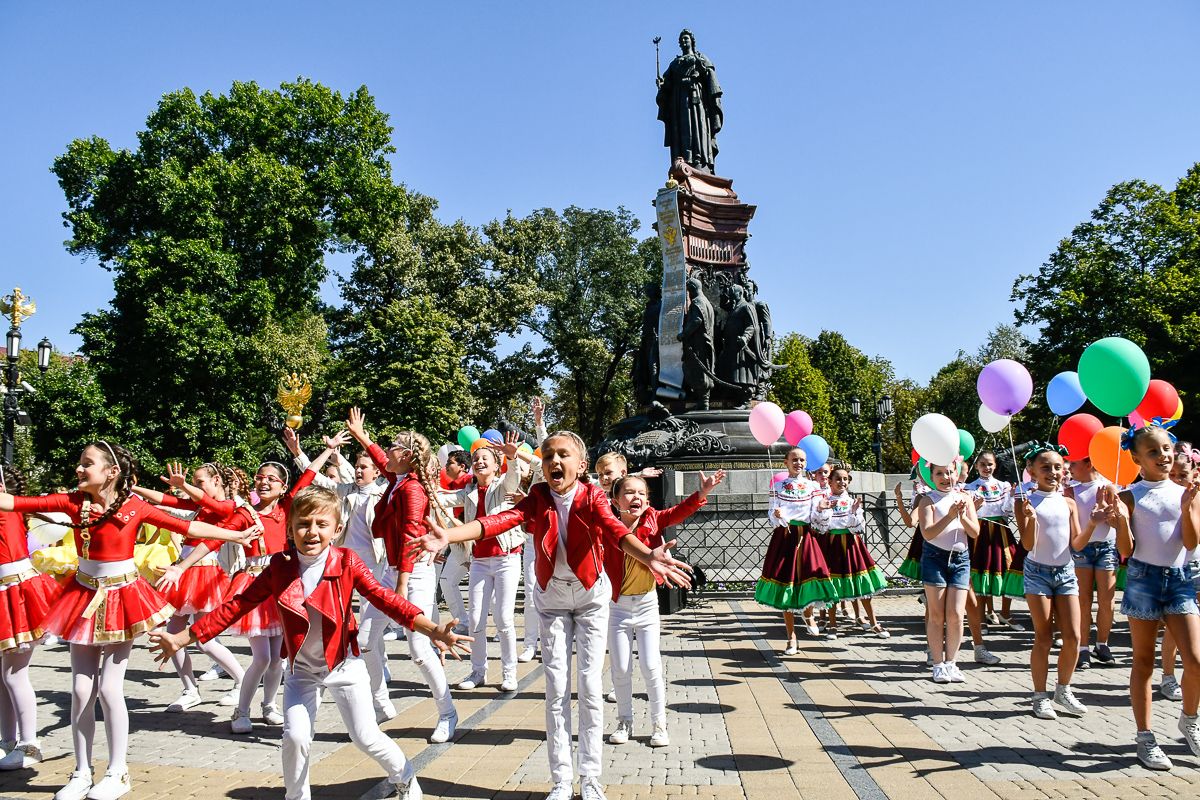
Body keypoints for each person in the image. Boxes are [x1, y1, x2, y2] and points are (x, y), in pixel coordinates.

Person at [409, 431, 693, 800]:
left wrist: (648, 555)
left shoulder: (592, 496)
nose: (555, 461)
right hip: (552, 600)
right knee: (556, 690)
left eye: (563, 455)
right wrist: (449, 535)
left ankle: (590, 778)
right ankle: (561, 779)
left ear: (581, 464)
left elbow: (614, 530)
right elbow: (499, 521)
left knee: (590, 689)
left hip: (591, 598)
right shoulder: (539, 496)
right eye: (548, 457)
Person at [150, 485, 470, 800]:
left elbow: (385, 598)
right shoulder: (279, 567)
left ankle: (406, 779)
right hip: (301, 671)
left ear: (337, 528)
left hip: (345, 665)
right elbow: (236, 606)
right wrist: (181, 637)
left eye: (321, 524)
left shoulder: (346, 562)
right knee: (295, 738)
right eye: (303, 523)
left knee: (366, 737)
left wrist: (431, 629)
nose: (312, 531)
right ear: (291, 527)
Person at [0, 441, 252, 800]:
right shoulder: (73, 503)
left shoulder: (134, 506)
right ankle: (82, 771)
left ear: (111, 472)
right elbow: (16, 502)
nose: (78, 469)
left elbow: (188, 528)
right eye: (79, 463)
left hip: (122, 599)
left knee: (108, 688)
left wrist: (236, 535)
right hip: (83, 597)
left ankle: (118, 772)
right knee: (80, 689)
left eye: (87, 464)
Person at [345, 408, 459, 744]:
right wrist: (361, 435)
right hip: (391, 570)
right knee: (365, 641)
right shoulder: (397, 481)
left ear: (408, 456)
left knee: (420, 650)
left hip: (415, 573)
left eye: (395, 446)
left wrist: (401, 584)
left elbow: (411, 535)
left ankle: (448, 714)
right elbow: (382, 461)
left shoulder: (412, 490)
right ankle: (381, 704)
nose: (388, 450)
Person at [605, 470, 724, 748]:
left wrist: (701, 494)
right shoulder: (608, 525)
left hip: (646, 605)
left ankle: (659, 724)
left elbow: (678, 512)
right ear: (615, 500)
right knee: (620, 668)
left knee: (650, 665)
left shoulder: (654, 519)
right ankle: (625, 721)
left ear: (648, 501)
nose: (636, 497)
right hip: (617, 607)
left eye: (642, 493)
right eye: (629, 492)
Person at [284, 427, 395, 721]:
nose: (359, 471)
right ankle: (364, 678)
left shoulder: (383, 491)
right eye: (356, 467)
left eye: (364, 467)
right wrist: (297, 452)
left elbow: (390, 473)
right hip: (342, 565)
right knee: (348, 623)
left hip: (373, 565)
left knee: (370, 631)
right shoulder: (344, 492)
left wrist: (363, 440)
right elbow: (315, 477)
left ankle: (379, 673)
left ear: (374, 472)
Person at [1111, 421, 1200, 770]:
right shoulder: (1128, 496)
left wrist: (1189, 505)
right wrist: (1119, 521)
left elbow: (1191, 542)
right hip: (1143, 579)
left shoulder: (1186, 492)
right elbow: (1126, 550)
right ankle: (1145, 737)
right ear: (1136, 458)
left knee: (1194, 659)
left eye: (1166, 449)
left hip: (1179, 579)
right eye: (1153, 451)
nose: (1163, 456)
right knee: (1143, 662)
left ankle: (1190, 719)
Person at [131, 462, 246, 712]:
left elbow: (213, 505)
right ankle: (190, 690)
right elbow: (166, 500)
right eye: (194, 482)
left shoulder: (229, 506)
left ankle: (242, 681)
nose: (196, 486)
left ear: (217, 480)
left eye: (200, 481)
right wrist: (134, 489)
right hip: (182, 571)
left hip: (203, 573)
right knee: (172, 635)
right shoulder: (198, 506)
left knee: (204, 639)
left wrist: (183, 485)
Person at [441, 434, 524, 692]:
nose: (478, 462)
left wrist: (511, 456)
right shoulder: (467, 490)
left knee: (503, 618)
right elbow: (443, 498)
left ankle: (509, 673)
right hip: (479, 560)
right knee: (476, 619)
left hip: (506, 559)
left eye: (484, 458)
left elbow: (514, 479)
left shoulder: (502, 485)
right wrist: (421, 486)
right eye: (475, 458)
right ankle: (478, 671)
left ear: (496, 464)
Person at [1014, 443, 1088, 719]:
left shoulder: (1069, 502)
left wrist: (1093, 522)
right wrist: (1030, 520)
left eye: (1058, 467)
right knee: (1043, 636)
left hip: (1065, 571)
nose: (1053, 472)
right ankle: (1039, 695)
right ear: (1032, 471)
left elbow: (1077, 543)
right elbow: (1028, 543)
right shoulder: (1026, 501)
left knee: (1074, 636)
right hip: (1037, 572)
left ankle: (1064, 689)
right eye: (1045, 467)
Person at [0, 465, 60, 771]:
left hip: (16, 593)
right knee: (5, 677)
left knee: (13, 675)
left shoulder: (7, 510)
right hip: (9, 590)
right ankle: (7, 741)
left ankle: (29, 744)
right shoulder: (10, 510)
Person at [754, 447, 838, 652]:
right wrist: (777, 514)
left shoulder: (812, 486)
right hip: (784, 537)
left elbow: (817, 516)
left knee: (811, 577)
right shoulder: (778, 486)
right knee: (786, 585)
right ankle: (791, 637)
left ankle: (808, 614)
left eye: (802, 460)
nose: (798, 463)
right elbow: (772, 516)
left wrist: (821, 509)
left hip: (806, 536)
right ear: (785, 462)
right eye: (794, 459)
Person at [915, 461, 980, 684]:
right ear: (932, 476)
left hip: (960, 560)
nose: (945, 477)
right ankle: (937, 664)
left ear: (957, 473)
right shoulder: (927, 500)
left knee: (955, 613)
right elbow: (928, 533)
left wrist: (962, 517)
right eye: (939, 473)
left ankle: (951, 662)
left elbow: (974, 532)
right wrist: (950, 516)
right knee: (937, 614)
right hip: (935, 558)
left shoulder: (965, 498)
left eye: (949, 472)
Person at [812, 467, 889, 638]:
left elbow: (859, 528)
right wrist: (822, 510)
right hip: (831, 546)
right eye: (838, 479)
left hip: (851, 545)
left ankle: (874, 622)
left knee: (861, 583)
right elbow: (820, 527)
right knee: (832, 585)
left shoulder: (852, 501)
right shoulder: (824, 501)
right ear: (830, 482)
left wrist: (854, 513)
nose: (842, 482)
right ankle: (832, 625)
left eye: (845, 479)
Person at [1066, 456, 1118, 672]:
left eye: (1074, 464)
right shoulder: (1071, 490)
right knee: (1083, 600)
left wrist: (1106, 509)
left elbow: (1119, 521)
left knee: (1107, 600)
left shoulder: (1108, 487)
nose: (1070, 468)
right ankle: (1083, 647)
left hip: (1106, 547)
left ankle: (1102, 644)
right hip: (1082, 550)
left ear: (1088, 464)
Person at [1157, 443, 1199, 701]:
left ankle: (1190, 674)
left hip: (1197, 565)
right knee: (1174, 628)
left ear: (1194, 473)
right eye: (1172, 475)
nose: (1176, 480)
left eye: (1182, 475)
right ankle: (1168, 676)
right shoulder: (1166, 499)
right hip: (1176, 569)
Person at [438, 450, 473, 636]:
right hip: (459, 543)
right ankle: (464, 624)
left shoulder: (470, 481)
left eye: (450, 463)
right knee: (447, 581)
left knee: (484, 592)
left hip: (474, 543)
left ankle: (490, 628)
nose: (446, 466)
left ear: (462, 467)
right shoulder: (451, 485)